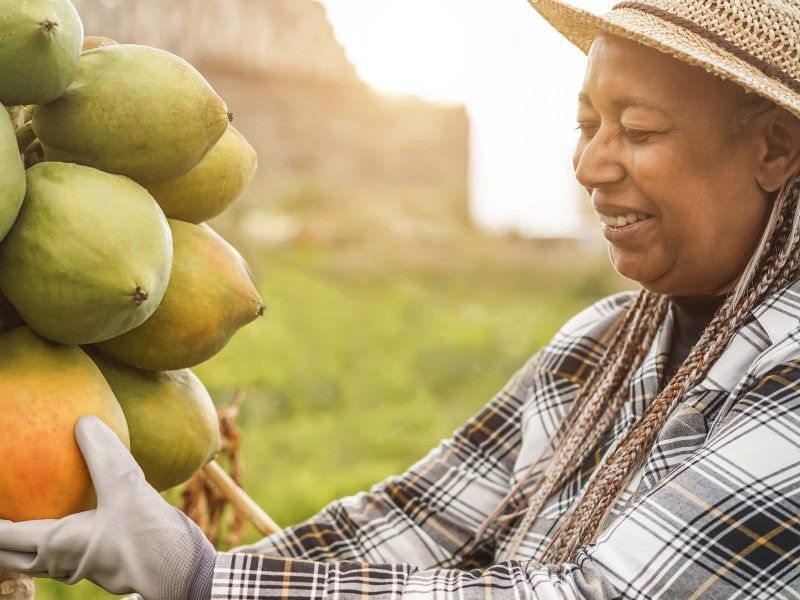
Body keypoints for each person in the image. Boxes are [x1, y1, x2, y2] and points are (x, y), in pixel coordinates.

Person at [3, 0, 800, 598]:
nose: (591, 166)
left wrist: (197, 576)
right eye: (587, 124)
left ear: (774, 147)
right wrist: (185, 560)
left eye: (639, 130)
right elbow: (414, 523)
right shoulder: (600, 345)